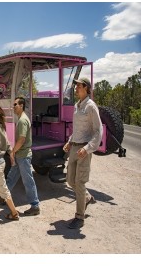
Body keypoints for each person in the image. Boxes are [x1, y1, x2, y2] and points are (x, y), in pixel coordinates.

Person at [63, 77, 103, 229]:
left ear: (86, 87)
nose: (75, 87)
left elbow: (98, 132)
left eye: (78, 85)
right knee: (70, 180)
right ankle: (86, 197)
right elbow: (78, 129)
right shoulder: (77, 105)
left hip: (84, 150)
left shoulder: (91, 107)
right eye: (76, 85)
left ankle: (79, 217)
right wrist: (69, 141)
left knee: (79, 182)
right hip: (74, 147)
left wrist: (87, 148)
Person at [0, 97, 41, 216]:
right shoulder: (21, 119)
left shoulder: (23, 120)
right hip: (20, 155)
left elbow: (22, 139)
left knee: (28, 181)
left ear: (22, 106)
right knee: (11, 177)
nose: (13, 107)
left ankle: (35, 206)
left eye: (15, 105)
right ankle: (3, 197)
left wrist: (13, 151)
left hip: (23, 156)